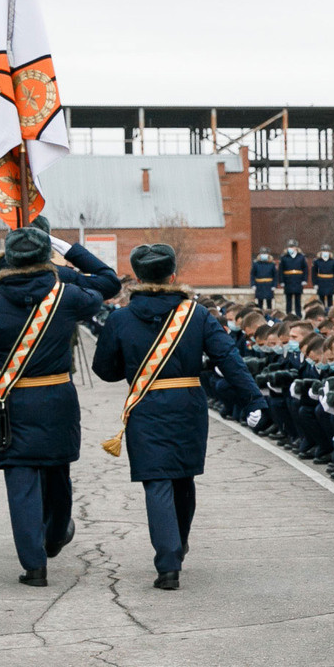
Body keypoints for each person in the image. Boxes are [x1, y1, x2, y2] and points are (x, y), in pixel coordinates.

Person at [91, 243, 264, 590]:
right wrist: (254, 399)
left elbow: (104, 370)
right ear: (173, 276)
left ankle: (168, 563)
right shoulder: (197, 315)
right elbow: (228, 358)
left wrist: (132, 364)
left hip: (146, 405)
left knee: (156, 481)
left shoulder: (121, 317)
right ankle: (178, 544)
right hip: (187, 404)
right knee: (183, 478)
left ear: (138, 278)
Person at [0, 226, 110, 586]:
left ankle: (34, 566)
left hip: (13, 399)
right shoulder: (67, 295)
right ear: (47, 256)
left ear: (9, 259)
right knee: (58, 472)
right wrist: (72, 250)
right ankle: (55, 535)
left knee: (21, 480)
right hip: (57, 396)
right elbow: (109, 281)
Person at [279, 240, 308, 315]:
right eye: (290, 247)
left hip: (298, 280)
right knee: (288, 300)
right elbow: (281, 270)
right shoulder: (284, 257)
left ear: (296, 247)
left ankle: (298, 314)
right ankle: (289, 314)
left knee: (298, 300)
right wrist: (281, 281)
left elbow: (305, 269)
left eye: (293, 247)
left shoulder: (301, 257)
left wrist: (304, 279)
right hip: (288, 280)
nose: (291, 248)